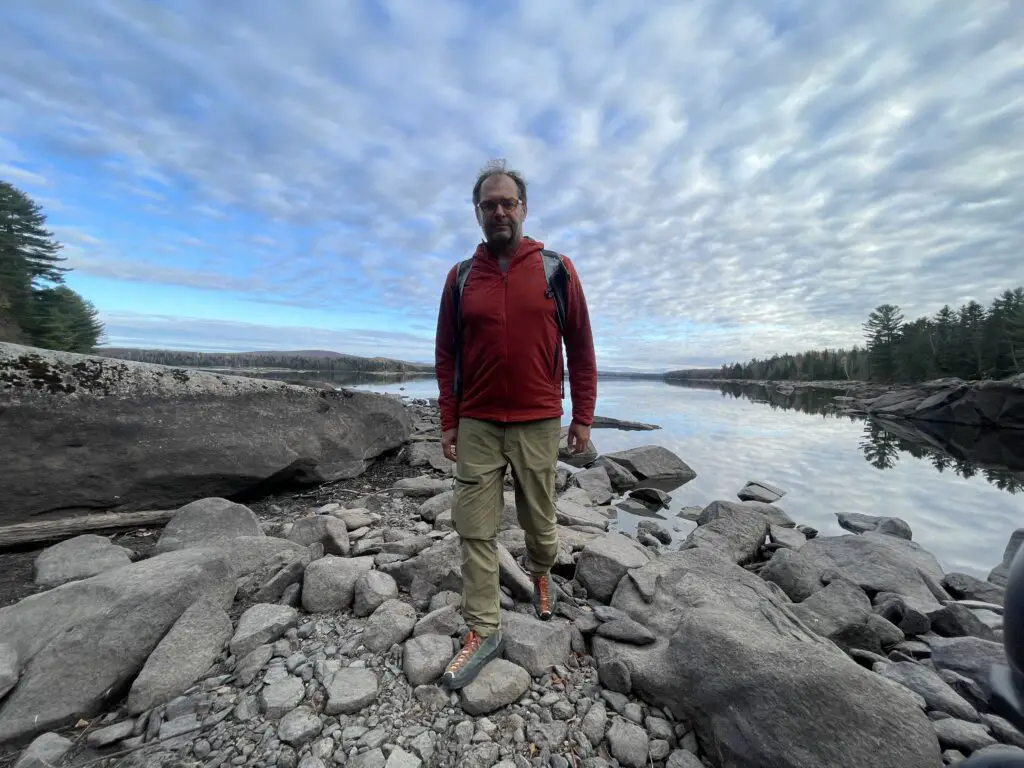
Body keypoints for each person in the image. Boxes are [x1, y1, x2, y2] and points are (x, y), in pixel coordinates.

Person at [433, 160, 597, 690]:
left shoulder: (556, 270)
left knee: (539, 523)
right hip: (478, 421)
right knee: (473, 528)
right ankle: (484, 630)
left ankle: (542, 573)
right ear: (477, 213)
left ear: (523, 208)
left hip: (539, 421)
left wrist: (584, 417)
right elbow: (445, 355)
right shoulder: (460, 278)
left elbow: (582, 348)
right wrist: (449, 419)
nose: (499, 211)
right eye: (489, 204)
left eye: (508, 202)